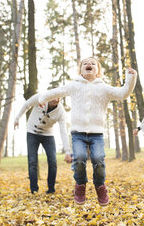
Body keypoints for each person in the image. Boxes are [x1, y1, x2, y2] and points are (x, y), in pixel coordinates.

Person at [38, 57, 137, 206]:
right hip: (78, 133)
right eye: (85, 63)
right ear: (81, 70)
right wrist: (43, 98)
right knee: (79, 158)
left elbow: (123, 93)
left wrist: (131, 78)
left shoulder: (104, 88)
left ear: (97, 70)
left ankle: (100, 186)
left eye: (92, 63)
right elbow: (58, 91)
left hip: (97, 134)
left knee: (98, 159)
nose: (88, 65)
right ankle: (80, 186)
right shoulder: (74, 85)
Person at [14, 95, 72, 195]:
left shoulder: (61, 111)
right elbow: (27, 104)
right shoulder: (40, 97)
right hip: (32, 132)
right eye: (54, 97)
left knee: (53, 161)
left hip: (47, 135)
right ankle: (34, 190)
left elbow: (63, 131)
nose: (56, 99)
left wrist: (67, 151)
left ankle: (51, 189)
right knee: (32, 162)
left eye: (59, 98)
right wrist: (17, 118)